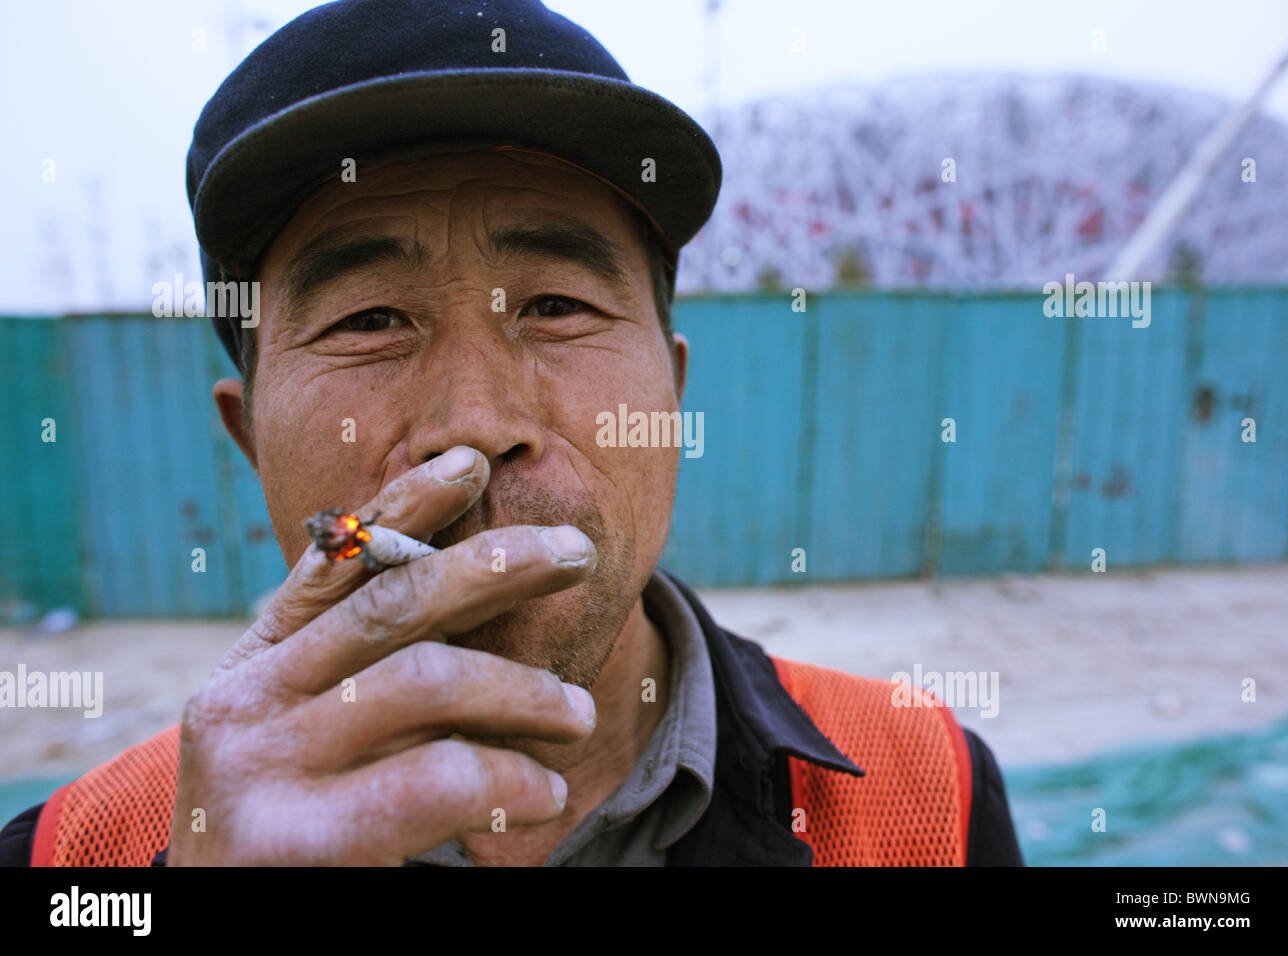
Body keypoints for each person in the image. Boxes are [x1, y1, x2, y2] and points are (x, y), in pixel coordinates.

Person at [0, 0, 1021, 866]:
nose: (474, 429)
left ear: (668, 394)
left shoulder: (924, 789)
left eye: (556, 306)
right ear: (250, 433)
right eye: (369, 320)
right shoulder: (78, 850)